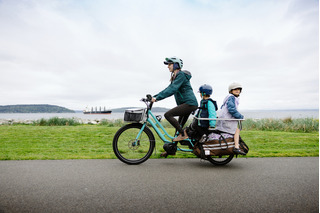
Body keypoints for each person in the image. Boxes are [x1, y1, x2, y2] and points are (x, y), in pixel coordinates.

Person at [151, 57, 198, 155]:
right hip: (187, 104)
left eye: (169, 64)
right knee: (178, 128)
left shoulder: (180, 75)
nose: (168, 66)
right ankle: (171, 151)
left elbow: (172, 89)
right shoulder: (175, 77)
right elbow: (169, 88)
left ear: (176, 65)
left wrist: (157, 98)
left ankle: (183, 134)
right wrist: (155, 96)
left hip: (189, 103)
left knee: (168, 115)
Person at [215, 82, 246, 155]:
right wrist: (240, 117)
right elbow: (231, 109)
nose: (237, 90)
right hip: (227, 120)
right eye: (235, 89)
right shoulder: (231, 97)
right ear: (231, 91)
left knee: (236, 130)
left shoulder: (229, 97)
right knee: (237, 130)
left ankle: (235, 146)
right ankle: (236, 147)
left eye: (238, 89)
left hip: (224, 120)